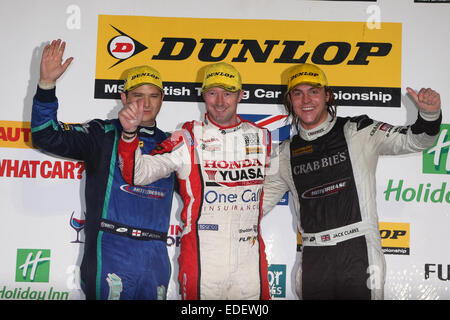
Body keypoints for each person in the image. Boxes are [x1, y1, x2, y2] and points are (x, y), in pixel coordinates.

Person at [263, 63, 442, 300]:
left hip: (358, 251)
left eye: (314, 91)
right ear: (290, 100)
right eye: (298, 93)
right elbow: (255, 204)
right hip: (314, 256)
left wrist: (429, 115)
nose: (306, 99)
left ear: (327, 95)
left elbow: (416, 141)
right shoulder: (284, 153)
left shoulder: (358, 130)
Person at [31, 39, 175, 300]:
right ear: (124, 97)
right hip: (110, 252)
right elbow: (45, 136)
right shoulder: (102, 133)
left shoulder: (173, 145)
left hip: (155, 257)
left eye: (153, 96)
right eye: (138, 96)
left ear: (162, 98)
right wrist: (46, 86)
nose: (145, 104)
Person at [118, 62, 272, 300]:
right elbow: (138, 175)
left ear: (241, 95)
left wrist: (251, 215)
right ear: (203, 95)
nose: (219, 101)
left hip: (249, 258)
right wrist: (129, 134)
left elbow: (273, 185)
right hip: (203, 254)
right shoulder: (186, 137)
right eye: (212, 93)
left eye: (227, 93)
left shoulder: (262, 137)